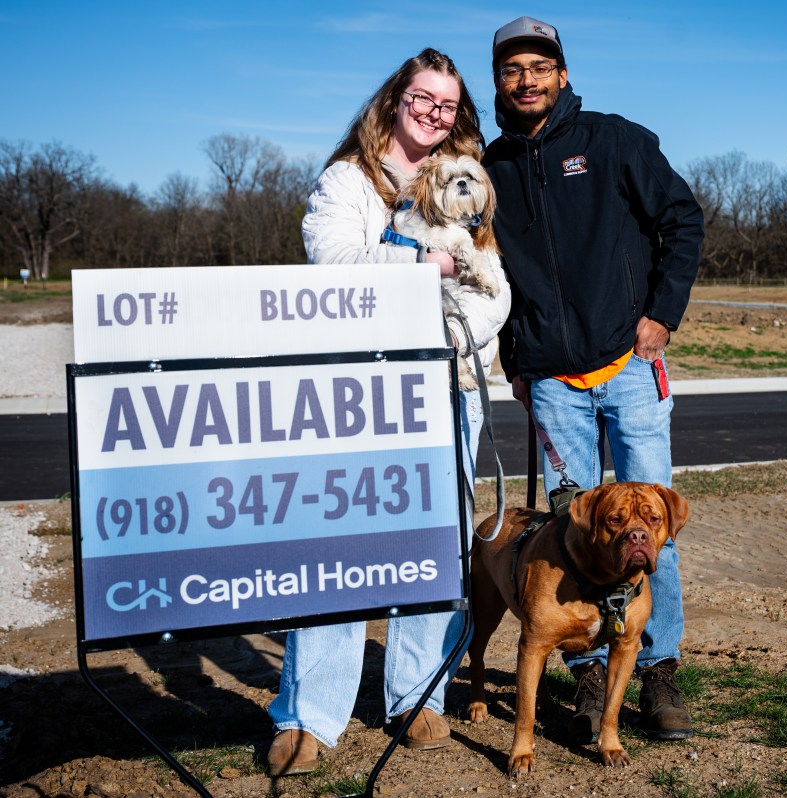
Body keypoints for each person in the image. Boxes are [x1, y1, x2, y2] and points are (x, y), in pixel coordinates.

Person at [265, 48, 511, 777]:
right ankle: (310, 716)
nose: (433, 115)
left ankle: (417, 694)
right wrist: (421, 268)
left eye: (446, 104)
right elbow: (333, 267)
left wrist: (449, 326)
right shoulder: (350, 178)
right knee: (340, 549)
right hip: (360, 395)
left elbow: (490, 287)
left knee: (433, 547)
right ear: (395, 99)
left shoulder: (467, 178)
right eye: (421, 100)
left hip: (449, 386)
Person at [482, 17, 704, 743]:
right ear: (499, 82)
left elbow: (683, 220)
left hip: (628, 369)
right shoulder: (492, 169)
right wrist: (517, 362)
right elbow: (495, 274)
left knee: (651, 531)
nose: (527, 79)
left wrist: (662, 316)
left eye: (539, 66)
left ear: (563, 75)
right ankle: (583, 678)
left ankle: (658, 673)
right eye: (513, 68)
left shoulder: (612, 141)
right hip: (552, 382)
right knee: (571, 530)